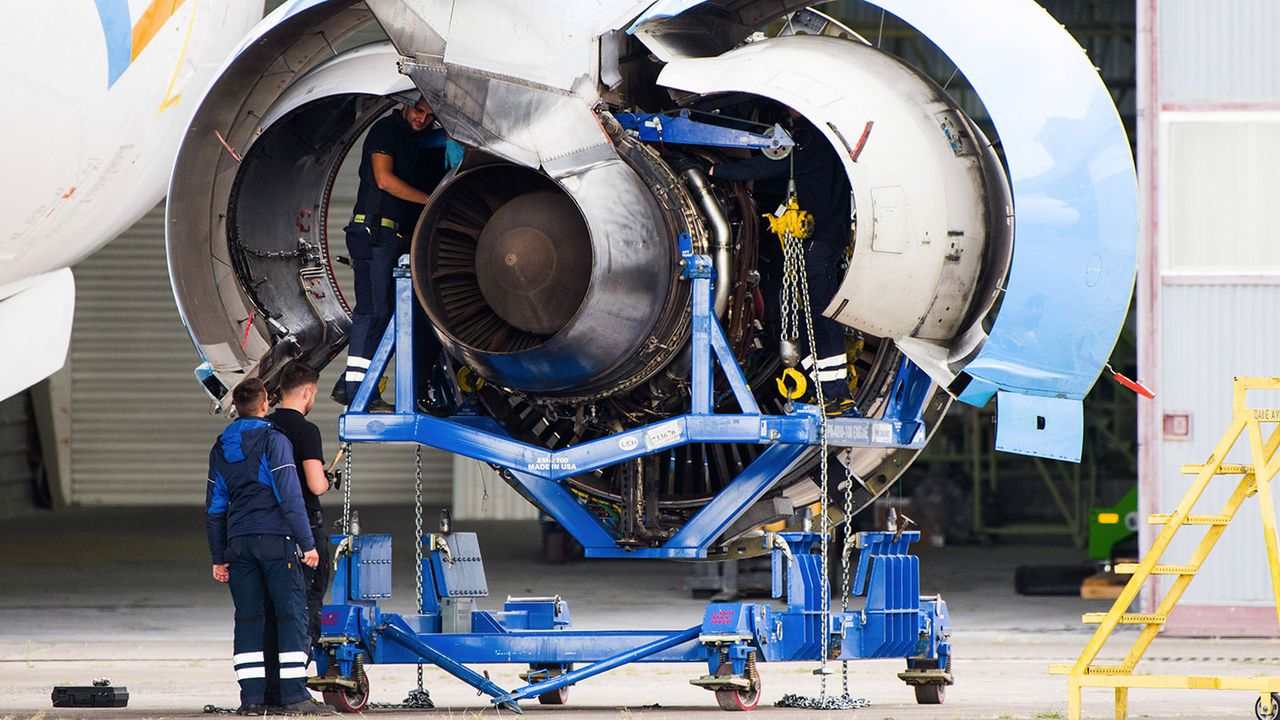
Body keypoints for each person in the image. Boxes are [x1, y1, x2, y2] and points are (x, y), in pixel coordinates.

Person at [709, 110, 854, 412]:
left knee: (818, 314)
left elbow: (767, 166)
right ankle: (827, 389)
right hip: (828, 239)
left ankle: (835, 392)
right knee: (811, 313)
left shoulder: (808, 139)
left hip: (815, 242)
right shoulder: (833, 141)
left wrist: (716, 173)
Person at [206, 378, 331, 716]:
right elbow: (291, 498)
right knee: (291, 615)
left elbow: (215, 508)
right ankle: (294, 697)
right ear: (264, 406)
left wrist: (219, 556)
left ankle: (252, 700)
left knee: (249, 619)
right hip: (277, 542)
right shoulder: (273, 441)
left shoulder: (220, 446)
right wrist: (308, 544)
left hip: (239, 545)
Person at [332, 97, 437, 411]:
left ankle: (355, 385)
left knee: (393, 316)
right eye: (419, 111)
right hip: (372, 233)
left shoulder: (412, 140)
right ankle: (356, 391)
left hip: (390, 237)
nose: (422, 119)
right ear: (407, 106)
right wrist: (431, 200)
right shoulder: (386, 130)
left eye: (430, 117)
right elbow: (384, 179)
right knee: (373, 311)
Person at [262, 362, 331, 707]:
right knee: (305, 606)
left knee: (270, 610)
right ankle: (294, 690)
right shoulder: (306, 431)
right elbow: (316, 483)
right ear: (306, 392)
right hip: (303, 531)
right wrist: (329, 481)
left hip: (267, 530)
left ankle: (269, 689)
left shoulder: (263, 427)